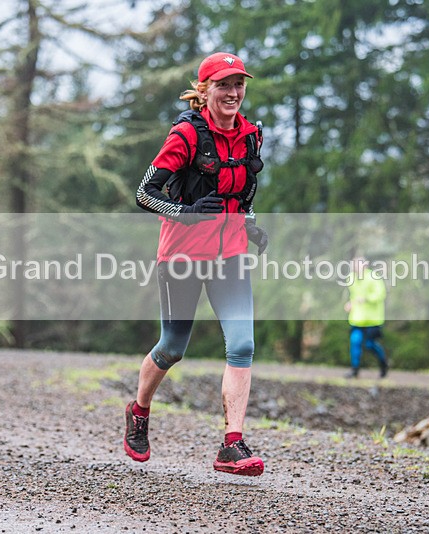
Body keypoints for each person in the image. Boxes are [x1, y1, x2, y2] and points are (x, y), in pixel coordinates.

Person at [125, 52, 269, 476]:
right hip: (183, 257)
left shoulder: (250, 136)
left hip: (229, 255)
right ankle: (139, 411)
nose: (233, 92)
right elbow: (143, 193)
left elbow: (242, 194)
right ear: (205, 90)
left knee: (242, 345)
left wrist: (251, 224)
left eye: (239, 84)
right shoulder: (186, 135)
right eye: (224, 84)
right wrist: (186, 213)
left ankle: (232, 445)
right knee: (173, 348)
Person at [343, 255, 388, 378]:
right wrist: (350, 304)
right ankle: (354, 370)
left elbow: (381, 294)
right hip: (357, 319)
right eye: (354, 265)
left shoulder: (374, 277)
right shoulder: (350, 278)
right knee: (355, 342)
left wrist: (366, 299)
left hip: (372, 320)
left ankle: (383, 364)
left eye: (358, 265)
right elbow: (354, 296)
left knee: (369, 345)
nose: (355, 267)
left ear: (365, 265)